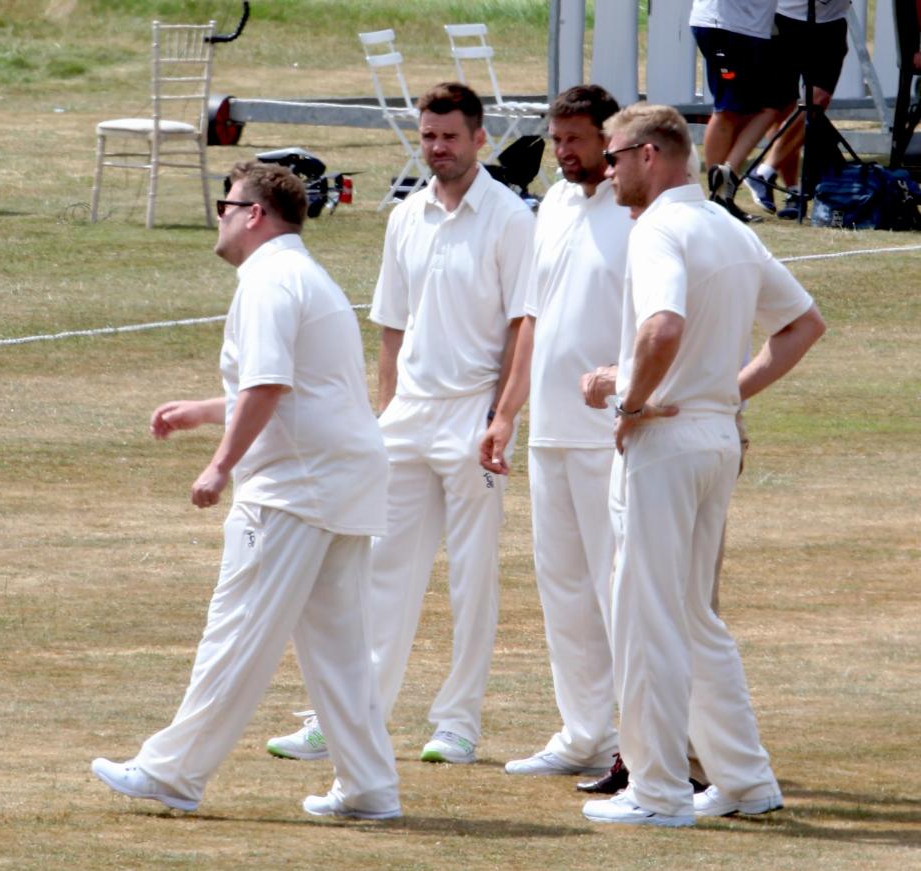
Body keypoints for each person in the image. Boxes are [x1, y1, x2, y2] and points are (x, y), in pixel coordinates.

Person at [91, 161, 400, 821]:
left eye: (226, 204)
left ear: (254, 213)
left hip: (296, 487)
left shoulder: (269, 280)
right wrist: (204, 412)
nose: (220, 214)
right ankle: (369, 788)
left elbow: (269, 387)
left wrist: (219, 464)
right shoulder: (297, 275)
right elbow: (288, 385)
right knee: (339, 646)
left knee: (236, 629)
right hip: (339, 479)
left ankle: (172, 770)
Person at [267, 83, 535, 765]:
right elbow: (391, 326)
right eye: (428, 136)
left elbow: (524, 326)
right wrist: (382, 415)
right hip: (408, 418)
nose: (437, 148)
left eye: (450, 136)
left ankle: (457, 722)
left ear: (479, 139)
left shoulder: (508, 217)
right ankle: (352, 714)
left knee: (471, 577)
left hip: (473, 416)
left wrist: (502, 416)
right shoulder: (406, 216)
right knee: (379, 571)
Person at [580, 103, 825, 827]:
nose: (608, 170)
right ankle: (745, 779)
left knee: (648, 617)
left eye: (615, 156)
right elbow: (802, 323)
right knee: (691, 616)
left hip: (668, 443)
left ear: (651, 155)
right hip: (712, 437)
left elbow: (663, 326)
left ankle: (656, 791)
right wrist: (720, 392)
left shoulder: (659, 228)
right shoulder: (725, 225)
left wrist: (625, 395)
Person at [479, 85, 629, 779]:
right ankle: (583, 732)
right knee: (562, 587)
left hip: (614, 436)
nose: (562, 152)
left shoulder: (638, 213)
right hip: (550, 434)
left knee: (616, 587)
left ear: (610, 137)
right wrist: (506, 413)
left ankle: (640, 739)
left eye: (576, 139)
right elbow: (531, 320)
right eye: (557, 138)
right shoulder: (556, 206)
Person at [744, 0, 851, 220]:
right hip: (786, 18)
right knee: (784, 107)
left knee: (816, 102)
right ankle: (793, 190)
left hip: (831, 21)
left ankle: (763, 172)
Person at [689, 0, 780, 222]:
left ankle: (725, 184)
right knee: (728, 109)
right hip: (726, 25)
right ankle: (717, 196)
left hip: (750, 26)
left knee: (766, 106)